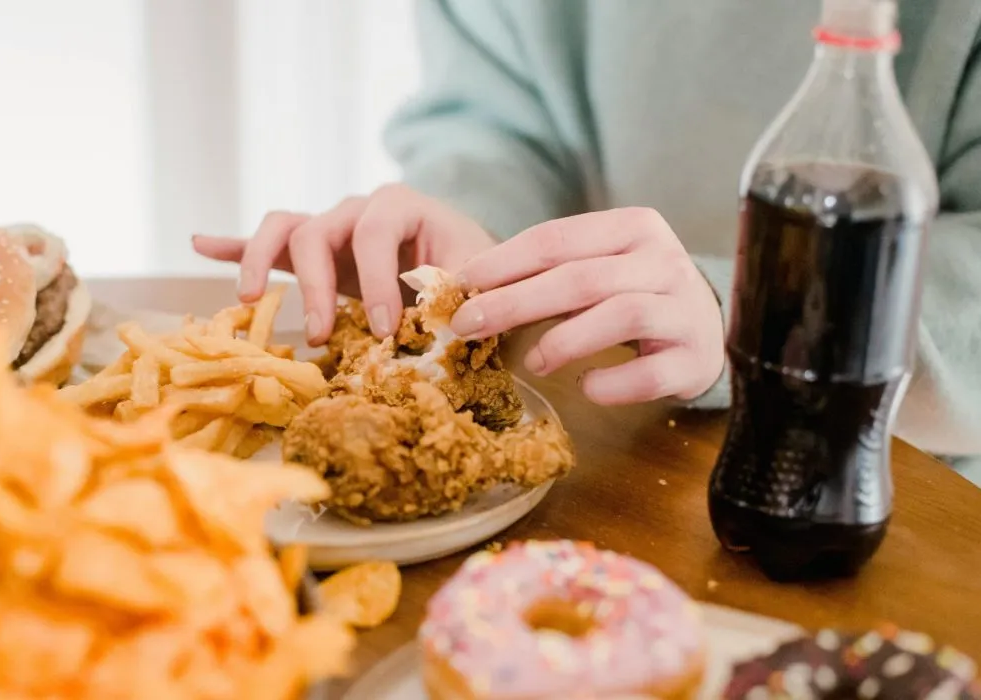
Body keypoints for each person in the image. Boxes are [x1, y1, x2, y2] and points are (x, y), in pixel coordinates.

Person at [194, 1, 981, 483]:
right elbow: (501, 112)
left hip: (897, 468)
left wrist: (750, 312)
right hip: (614, 436)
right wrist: (470, 242)